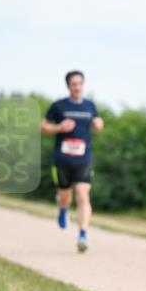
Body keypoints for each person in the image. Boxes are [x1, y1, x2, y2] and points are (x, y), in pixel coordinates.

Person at [40, 71, 103, 252]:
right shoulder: (58, 106)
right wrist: (59, 127)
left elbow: (97, 122)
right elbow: (43, 126)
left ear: (83, 85)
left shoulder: (90, 106)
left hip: (84, 157)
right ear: (68, 86)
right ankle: (63, 210)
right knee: (65, 195)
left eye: (80, 83)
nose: (77, 87)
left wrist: (98, 124)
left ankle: (83, 235)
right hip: (63, 158)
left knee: (83, 194)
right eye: (74, 84)